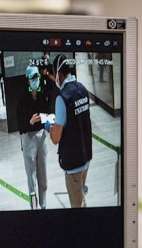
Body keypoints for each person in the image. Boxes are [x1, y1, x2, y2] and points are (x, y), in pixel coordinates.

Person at [47, 54, 92, 208]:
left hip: (73, 163)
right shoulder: (83, 89)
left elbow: (55, 138)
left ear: (58, 73)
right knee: (80, 196)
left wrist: (48, 125)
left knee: (76, 205)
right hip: (86, 157)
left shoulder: (63, 98)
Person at [17, 65, 53, 210]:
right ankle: (34, 207)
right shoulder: (22, 99)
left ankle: (43, 206)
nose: (35, 80)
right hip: (29, 138)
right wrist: (29, 122)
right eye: (32, 78)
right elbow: (20, 125)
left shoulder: (42, 94)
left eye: (37, 77)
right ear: (27, 80)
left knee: (42, 174)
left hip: (42, 137)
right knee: (31, 175)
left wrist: (47, 121)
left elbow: (49, 113)